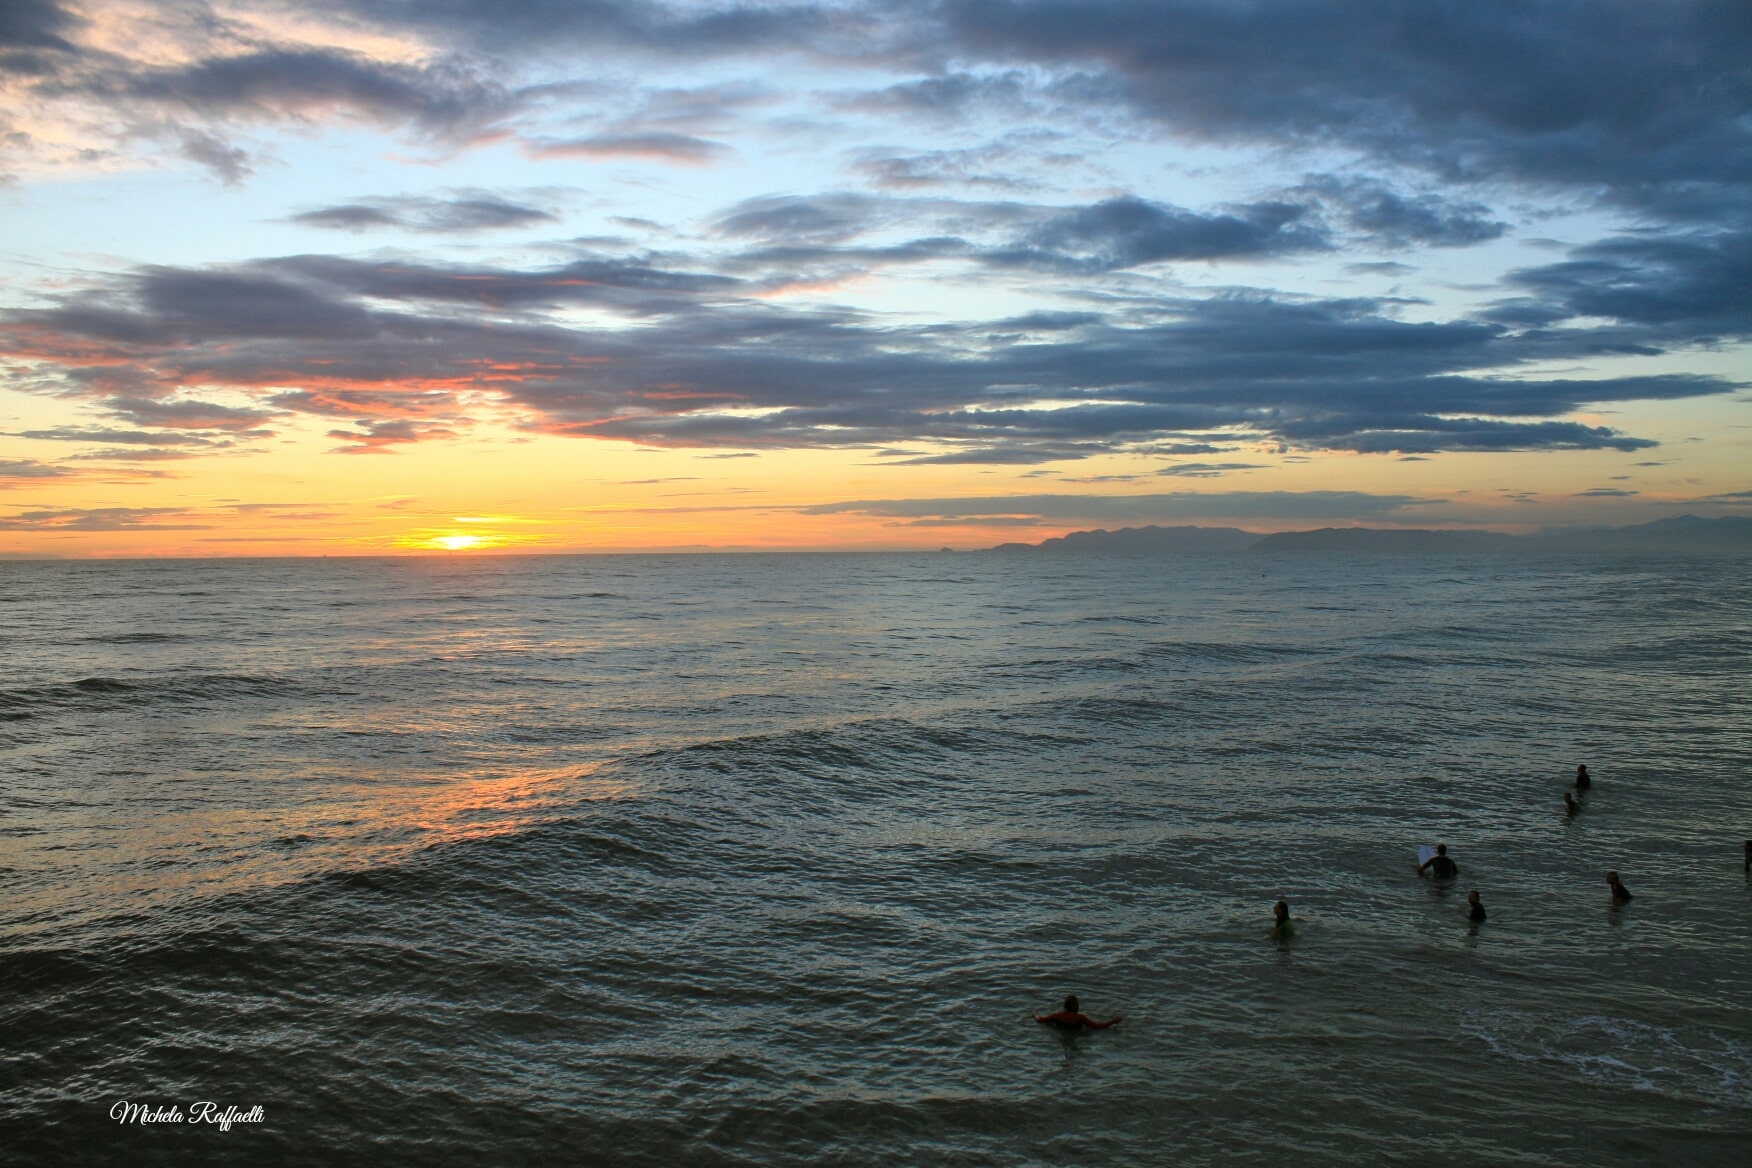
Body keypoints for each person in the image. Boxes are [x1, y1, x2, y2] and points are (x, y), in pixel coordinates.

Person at [1035, 994, 1122, 1030]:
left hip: (1061, 1032)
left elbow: (1040, 1020)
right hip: (1076, 1033)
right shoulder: (1080, 1017)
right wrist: (1113, 1021)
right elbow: (1097, 1026)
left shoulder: (1057, 1016)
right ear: (1075, 1006)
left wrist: (1034, 1014)